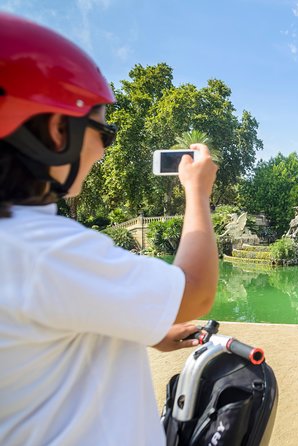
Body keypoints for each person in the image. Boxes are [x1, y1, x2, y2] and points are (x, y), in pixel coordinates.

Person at [0, 13, 219, 445]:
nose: (104, 150)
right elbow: (195, 290)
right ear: (56, 131)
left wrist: (151, 330)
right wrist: (197, 193)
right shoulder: (43, 250)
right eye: (105, 131)